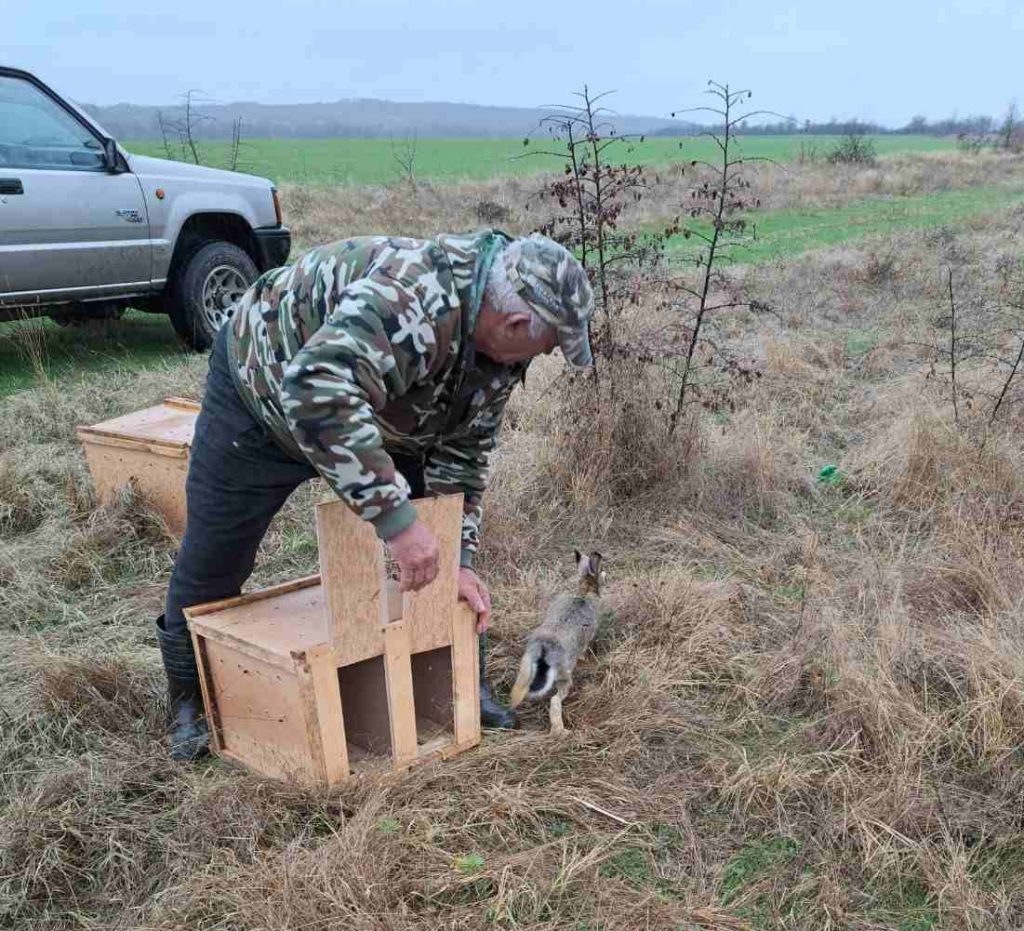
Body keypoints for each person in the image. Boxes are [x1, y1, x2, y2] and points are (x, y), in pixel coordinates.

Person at [154, 228, 595, 760]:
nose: (541, 357)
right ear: (516, 322)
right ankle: (190, 701)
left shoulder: (502, 352)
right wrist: (399, 523)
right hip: (265, 391)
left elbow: (463, 457)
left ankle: (453, 680)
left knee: (438, 548)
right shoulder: (416, 299)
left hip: (390, 417)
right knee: (216, 556)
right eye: (546, 346)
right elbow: (315, 391)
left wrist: (459, 556)